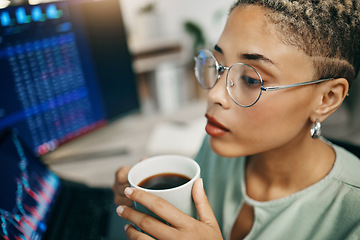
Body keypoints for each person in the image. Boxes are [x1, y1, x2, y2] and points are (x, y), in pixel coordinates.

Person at [113, 0, 360, 239]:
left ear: (326, 99)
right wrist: (153, 206)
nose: (214, 94)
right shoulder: (218, 145)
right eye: (219, 65)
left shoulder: (353, 214)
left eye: (252, 80)